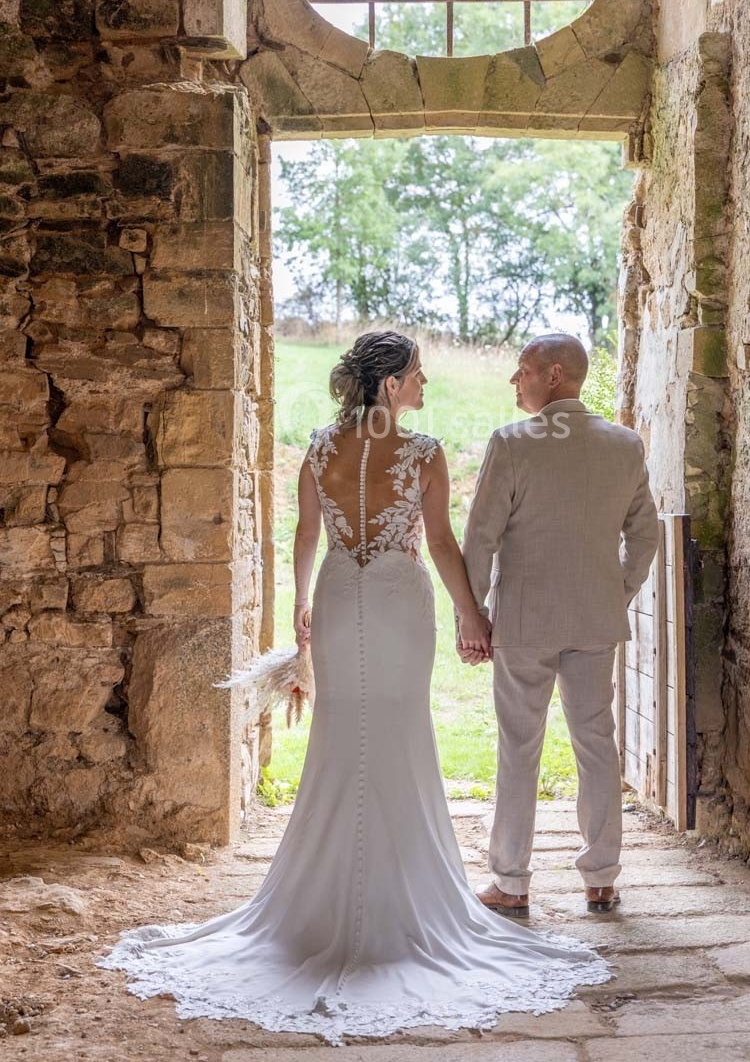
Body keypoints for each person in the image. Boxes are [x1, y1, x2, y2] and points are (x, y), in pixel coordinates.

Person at [99, 331, 610, 1044]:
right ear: (392, 384)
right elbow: (437, 544)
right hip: (400, 603)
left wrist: (302, 609)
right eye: (419, 376)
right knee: (400, 738)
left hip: (341, 597)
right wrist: (474, 612)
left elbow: (307, 534)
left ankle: (323, 903)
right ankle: (408, 906)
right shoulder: (423, 453)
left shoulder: (317, 447)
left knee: (342, 741)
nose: (427, 386)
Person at [462, 333, 659, 918]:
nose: (513, 380)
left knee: (519, 747)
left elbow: (480, 540)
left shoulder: (513, 443)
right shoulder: (624, 445)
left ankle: (512, 882)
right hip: (595, 619)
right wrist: (615, 592)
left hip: (524, 621)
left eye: (521, 369)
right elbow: (644, 535)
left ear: (552, 374)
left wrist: (472, 616)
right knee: (596, 743)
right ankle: (601, 879)